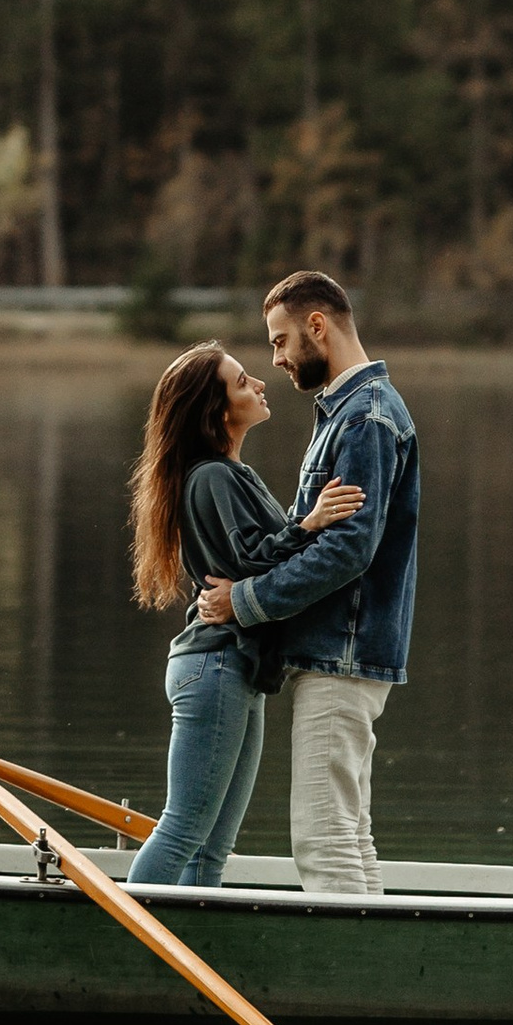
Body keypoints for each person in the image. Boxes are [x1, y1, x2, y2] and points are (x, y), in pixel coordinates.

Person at [194, 269, 420, 897]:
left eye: (280, 340)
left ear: (316, 326)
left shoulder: (364, 419)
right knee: (350, 836)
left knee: (323, 841)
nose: (277, 359)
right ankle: (377, 977)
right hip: (344, 653)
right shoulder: (350, 412)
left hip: (340, 654)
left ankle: (349, 989)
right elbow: (324, 534)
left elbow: (349, 549)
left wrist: (244, 602)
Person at [123, 342, 365, 890]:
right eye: (240, 381)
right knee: (184, 830)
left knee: (212, 847)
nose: (258, 382)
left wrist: (304, 527)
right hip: (214, 667)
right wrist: (309, 525)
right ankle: (126, 937)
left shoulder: (232, 474)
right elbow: (252, 563)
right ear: (217, 411)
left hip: (238, 668)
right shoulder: (211, 477)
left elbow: (254, 565)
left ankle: (187, 949)